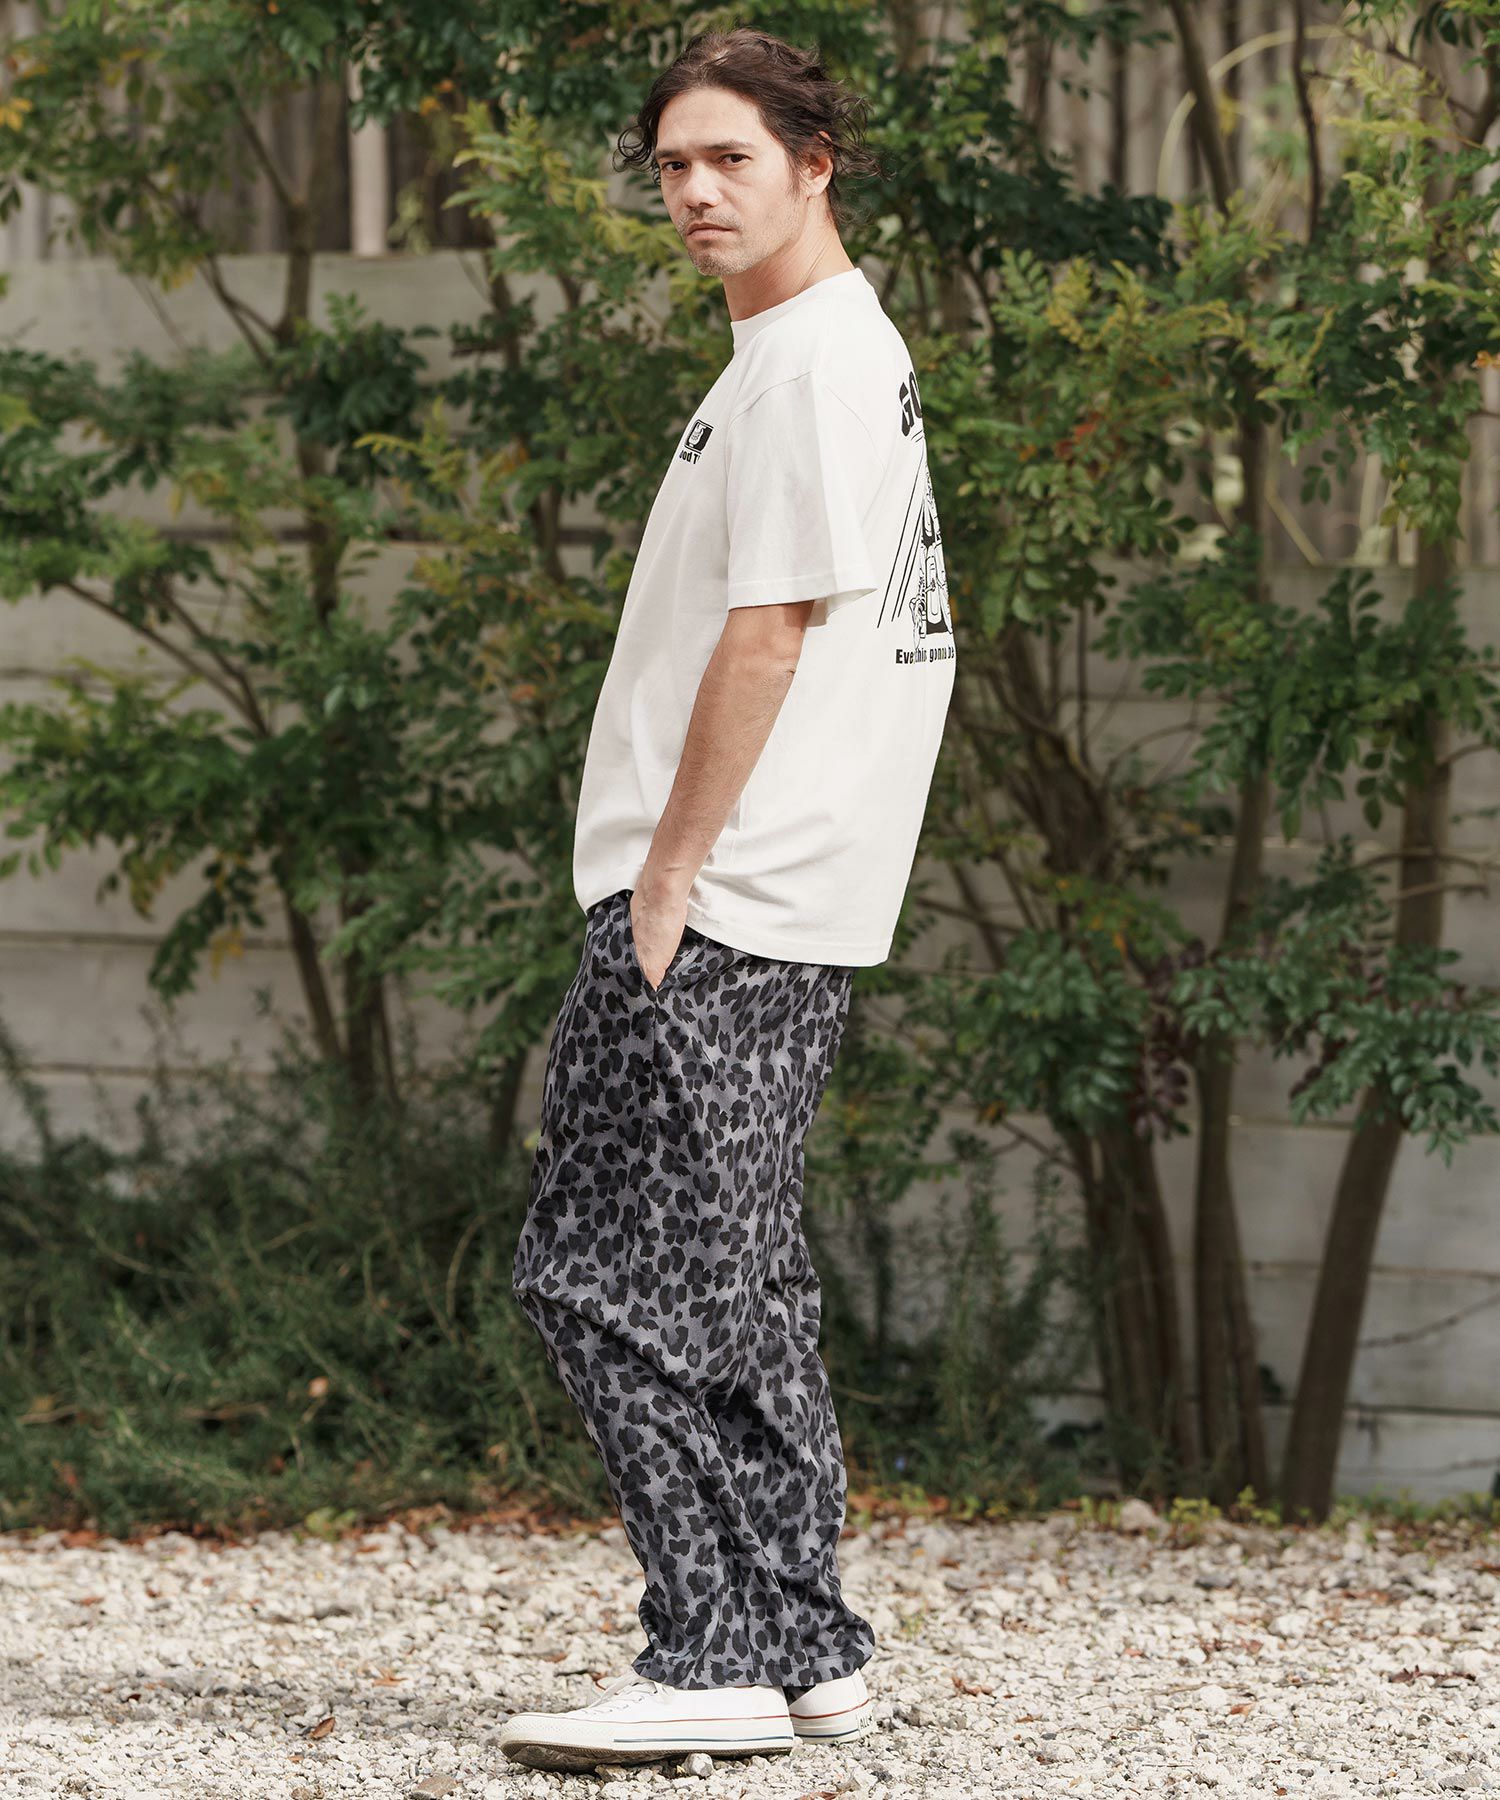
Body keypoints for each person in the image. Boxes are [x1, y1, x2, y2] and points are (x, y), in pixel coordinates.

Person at [504, 23, 957, 1774]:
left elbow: (770, 635)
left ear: (813, 165)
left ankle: (707, 1655)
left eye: (730, 160)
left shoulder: (811, 368)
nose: (694, 191)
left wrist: (672, 870)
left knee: (598, 1277)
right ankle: (802, 1641)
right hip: (773, 896)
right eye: (674, 165)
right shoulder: (808, 352)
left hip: (722, 897)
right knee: (741, 1284)